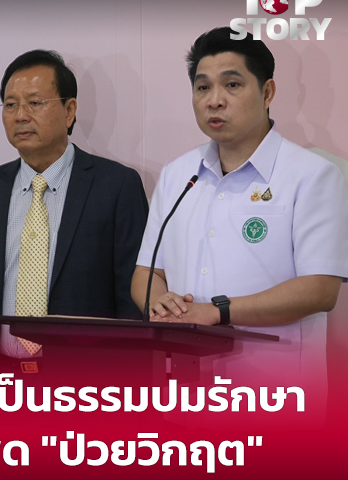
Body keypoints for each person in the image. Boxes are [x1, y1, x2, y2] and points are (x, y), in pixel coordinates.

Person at [131, 27, 348, 395]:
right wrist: (159, 302)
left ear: (267, 92)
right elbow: (147, 273)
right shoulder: (177, 175)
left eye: (232, 85)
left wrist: (217, 311)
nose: (214, 101)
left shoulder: (313, 175)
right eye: (203, 87)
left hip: (275, 393)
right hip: (184, 390)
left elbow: (320, 289)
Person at [0, 50, 149, 385]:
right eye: (10, 105)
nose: (20, 116)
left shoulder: (116, 185)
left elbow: (132, 301)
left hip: (88, 385)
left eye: (35, 103)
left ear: (69, 110)